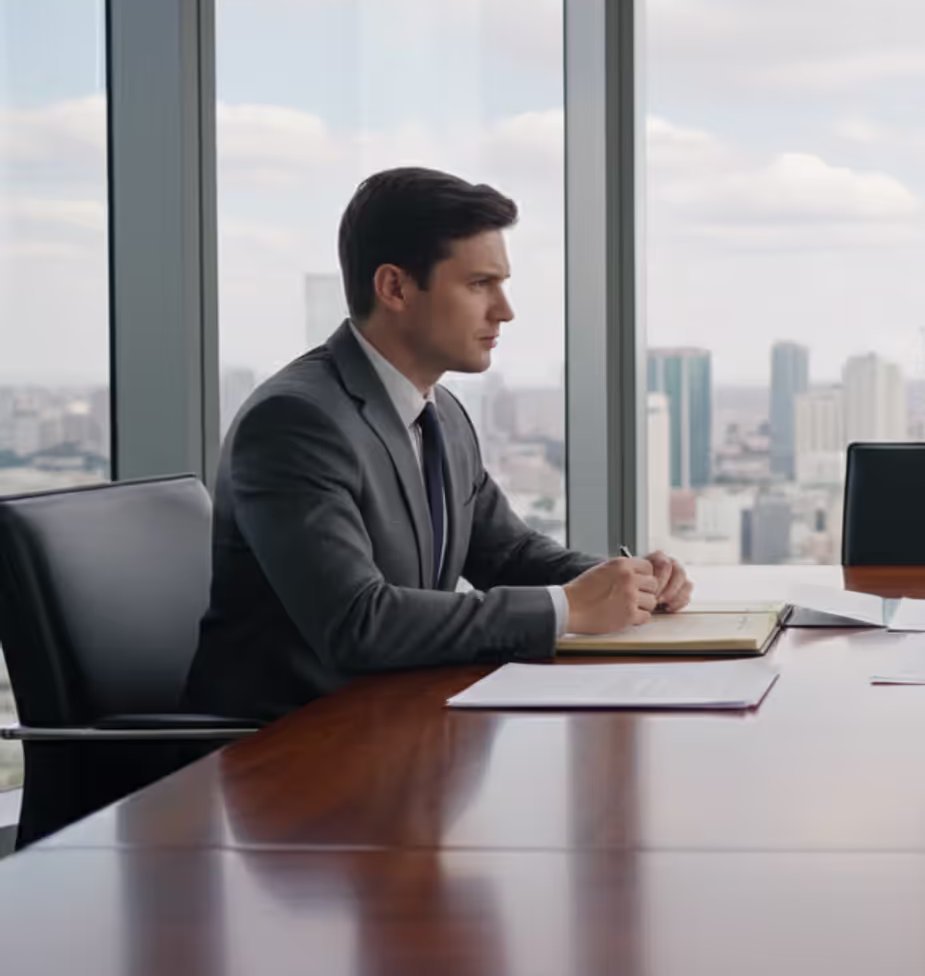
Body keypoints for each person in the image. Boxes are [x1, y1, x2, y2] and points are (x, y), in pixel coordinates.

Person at [183, 167, 692, 721]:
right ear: (395, 287)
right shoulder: (294, 421)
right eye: (480, 284)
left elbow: (507, 554)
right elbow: (358, 623)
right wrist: (567, 608)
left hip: (401, 727)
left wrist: (628, 583)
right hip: (288, 755)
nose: (505, 309)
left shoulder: (440, 411)